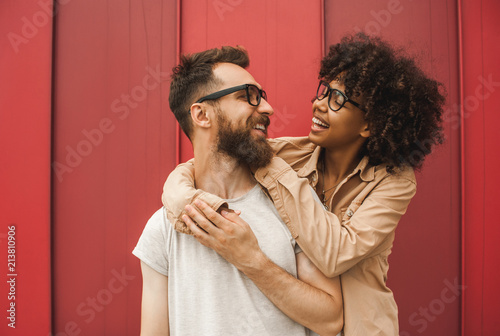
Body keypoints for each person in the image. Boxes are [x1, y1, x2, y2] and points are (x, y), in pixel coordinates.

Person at [162, 33, 445, 335]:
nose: (319, 105)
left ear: (369, 125)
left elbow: (335, 254)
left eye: (338, 100)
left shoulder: (393, 182)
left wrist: (269, 164)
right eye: (324, 91)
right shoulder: (290, 155)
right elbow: (201, 164)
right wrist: (190, 208)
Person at [133, 46, 343, 336]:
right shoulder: (164, 228)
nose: (267, 109)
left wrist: (251, 259)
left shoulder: (292, 202)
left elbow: (330, 319)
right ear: (202, 114)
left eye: (263, 97)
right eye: (249, 97)